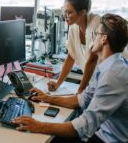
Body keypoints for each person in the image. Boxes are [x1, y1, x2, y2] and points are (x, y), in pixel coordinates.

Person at [13, 13, 128, 143]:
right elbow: (83, 100)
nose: (93, 37)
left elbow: (85, 125)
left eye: (96, 34)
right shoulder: (110, 66)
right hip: (103, 132)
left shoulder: (113, 75)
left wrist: (39, 125)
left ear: (104, 39)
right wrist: (47, 98)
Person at [47, 0, 100, 94]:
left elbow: (92, 61)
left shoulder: (96, 24)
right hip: (96, 83)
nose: (65, 16)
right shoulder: (74, 28)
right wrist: (57, 84)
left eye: (69, 12)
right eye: (64, 11)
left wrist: (80, 90)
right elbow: (70, 58)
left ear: (82, 12)